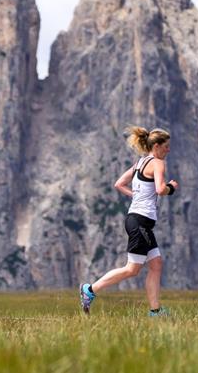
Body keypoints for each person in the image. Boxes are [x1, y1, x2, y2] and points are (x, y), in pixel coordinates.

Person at [80, 126, 179, 317]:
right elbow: (160, 189)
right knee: (132, 269)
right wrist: (171, 187)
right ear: (157, 146)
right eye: (166, 146)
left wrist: (136, 196)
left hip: (138, 220)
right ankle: (89, 290)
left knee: (156, 264)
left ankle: (155, 311)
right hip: (140, 222)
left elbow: (119, 184)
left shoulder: (140, 163)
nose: (168, 150)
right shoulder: (157, 163)